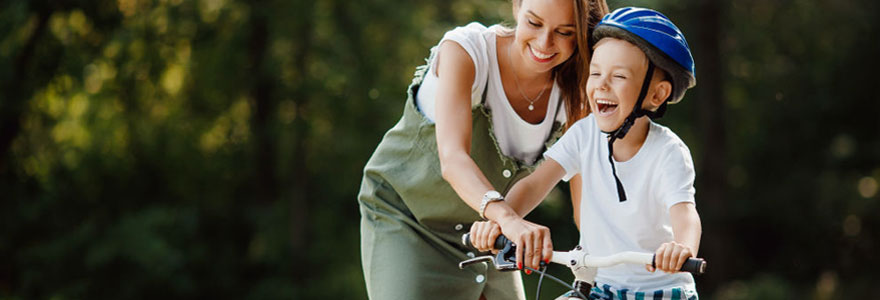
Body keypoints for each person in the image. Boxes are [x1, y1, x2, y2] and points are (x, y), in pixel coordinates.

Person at [357, 0, 610, 298]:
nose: (544, 43)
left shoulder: (579, 90)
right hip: (409, 219)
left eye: (564, 32)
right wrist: (509, 220)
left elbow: (586, 203)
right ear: (517, 7)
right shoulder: (466, 51)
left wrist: (608, 260)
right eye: (534, 23)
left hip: (490, 236)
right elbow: (453, 159)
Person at [470, 7, 703, 299]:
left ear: (656, 95)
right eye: (595, 73)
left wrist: (682, 247)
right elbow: (535, 183)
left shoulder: (668, 153)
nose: (601, 85)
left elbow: (685, 213)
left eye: (618, 76)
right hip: (599, 288)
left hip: (661, 292)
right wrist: (501, 222)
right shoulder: (584, 134)